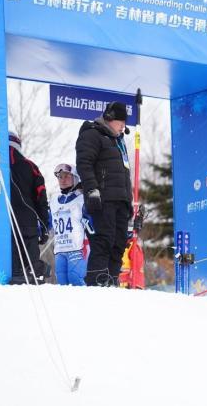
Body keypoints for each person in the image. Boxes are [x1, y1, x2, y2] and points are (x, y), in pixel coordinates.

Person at [76, 102, 133, 286]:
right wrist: (92, 190)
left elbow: (125, 174)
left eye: (124, 122)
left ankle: (111, 280)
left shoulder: (119, 141)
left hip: (121, 200)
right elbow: (84, 164)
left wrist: (129, 201)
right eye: (120, 122)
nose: (123, 126)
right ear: (109, 118)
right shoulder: (92, 134)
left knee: (119, 243)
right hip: (103, 199)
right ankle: (96, 281)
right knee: (104, 240)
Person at [8, 131, 51, 284]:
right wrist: (44, 226)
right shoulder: (30, 166)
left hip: (3, 222)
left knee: (13, 271)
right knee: (30, 272)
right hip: (28, 222)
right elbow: (41, 197)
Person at [49, 163, 91, 286]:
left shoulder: (82, 199)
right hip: (60, 250)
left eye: (67, 176)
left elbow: (94, 222)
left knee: (75, 279)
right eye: (60, 177)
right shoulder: (54, 201)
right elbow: (47, 222)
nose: (63, 180)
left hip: (77, 249)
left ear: (76, 178)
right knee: (62, 283)